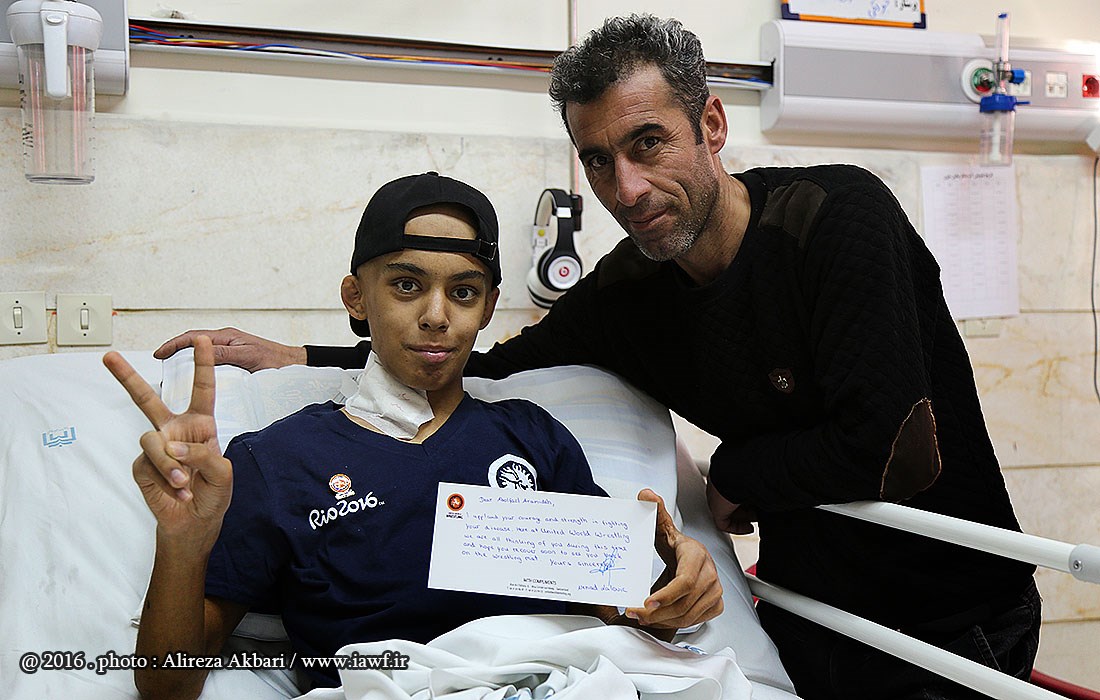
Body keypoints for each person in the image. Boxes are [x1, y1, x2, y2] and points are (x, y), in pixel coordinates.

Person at [155, 15, 1042, 700]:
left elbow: (892, 446)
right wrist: (304, 357)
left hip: (949, 611)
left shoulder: (833, 219)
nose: (628, 188)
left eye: (648, 142)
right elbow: (487, 357)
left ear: (712, 123)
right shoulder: (631, 293)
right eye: (598, 160)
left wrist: (721, 495)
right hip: (809, 606)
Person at [106, 172, 722, 698]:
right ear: (356, 298)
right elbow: (167, 686)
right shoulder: (278, 462)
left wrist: (675, 590)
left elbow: (622, 619)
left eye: (463, 292)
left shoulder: (532, 437)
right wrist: (182, 542)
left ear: (488, 308)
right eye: (406, 285)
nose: (435, 315)